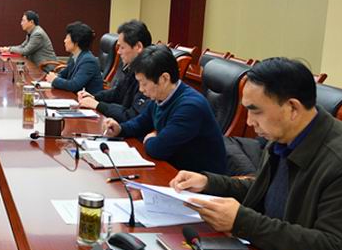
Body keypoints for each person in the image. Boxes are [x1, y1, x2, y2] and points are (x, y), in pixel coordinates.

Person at [170, 58, 342, 250]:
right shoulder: (283, 137)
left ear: (292, 108)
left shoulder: (336, 160)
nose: (250, 122)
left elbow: (333, 247)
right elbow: (266, 190)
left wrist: (243, 222)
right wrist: (209, 183)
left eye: (256, 111)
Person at [102, 44, 226, 173]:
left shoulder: (190, 107)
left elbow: (158, 149)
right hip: (174, 169)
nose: (141, 89)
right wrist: (120, 129)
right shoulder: (160, 96)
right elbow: (140, 123)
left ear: (164, 78)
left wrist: (150, 139)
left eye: (144, 83)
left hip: (199, 178)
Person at [77, 19, 151, 121]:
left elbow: (132, 116)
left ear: (138, 47)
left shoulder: (150, 75)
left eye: (122, 47)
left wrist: (98, 105)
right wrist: (94, 97)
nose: (118, 52)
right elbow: (117, 93)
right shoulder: (132, 67)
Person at [44, 21, 103, 94]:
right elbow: (64, 74)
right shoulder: (74, 55)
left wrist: (54, 80)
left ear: (76, 42)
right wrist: (55, 76)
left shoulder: (88, 61)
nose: (64, 41)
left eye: (67, 38)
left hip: (87, 99)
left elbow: (74, 85)